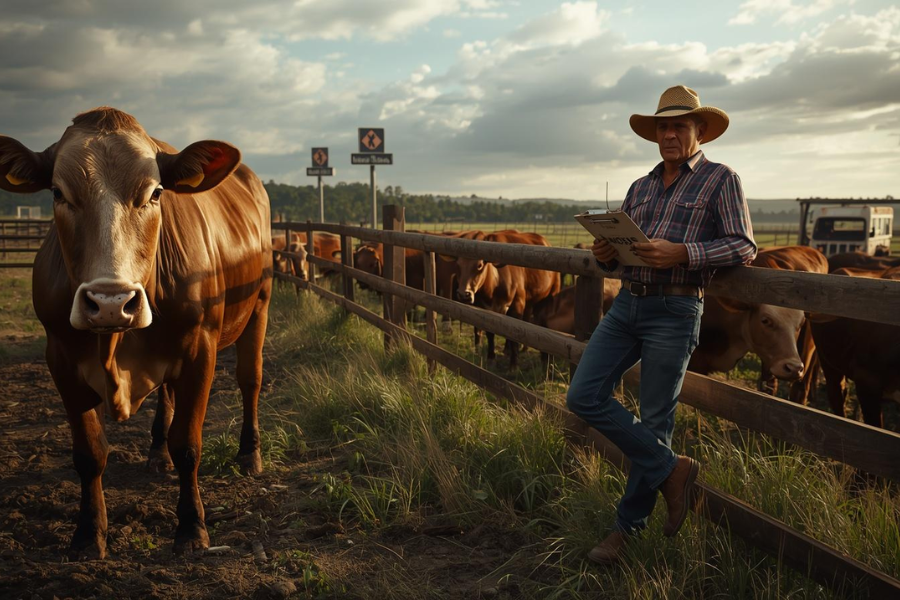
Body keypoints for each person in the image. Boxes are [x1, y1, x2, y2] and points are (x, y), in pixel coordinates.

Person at [566, 85, 757, 564]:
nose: (669, 134)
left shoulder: (720, 180)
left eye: (679, 125)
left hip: (675, 309)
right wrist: (605, 253)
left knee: (654, 420)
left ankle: (624, 531)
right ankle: (673, 471)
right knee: (583, 395)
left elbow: (742, 246)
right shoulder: (641, 186)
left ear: (699, 130)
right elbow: (621, 256)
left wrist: (684, 252)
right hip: (628, 303)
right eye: (663, 127)